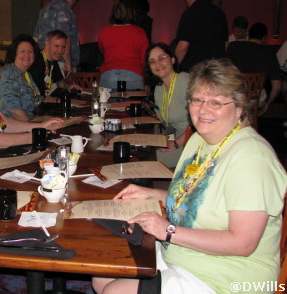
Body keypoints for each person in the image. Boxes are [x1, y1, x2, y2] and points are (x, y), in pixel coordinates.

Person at [93, 59, 287, 294]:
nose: (203, 110)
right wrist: (152, 194)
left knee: (115, 290)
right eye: (197, 100)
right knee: (103, 273)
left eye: (216, 102)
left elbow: (243, 243)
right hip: (184, 254)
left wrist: (168, 230)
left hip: (229, 276)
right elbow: (199, 200)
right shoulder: (200, 140)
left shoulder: (252, 158)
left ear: (239, 107)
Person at [145, 43, 191, 168]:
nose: (158, 64)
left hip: (192, 142)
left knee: (147, 160)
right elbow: (164, 121)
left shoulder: (187, 82)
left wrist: (176, 143)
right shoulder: (159, 89)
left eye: (162, 58)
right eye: (152, 61)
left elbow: (199, 124)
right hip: (175, 137)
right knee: (141, 151)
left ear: (173, 59)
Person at [226, 22, 282, 114]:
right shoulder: (269, 54)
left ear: (248, 35)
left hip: (233, 96)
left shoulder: (233, 46)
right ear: (264, 38)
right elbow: (277, 86)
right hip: (254, 99)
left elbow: (223, 71)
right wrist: (267, 104)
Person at [0, 35, 42, 121]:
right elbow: (13, 110)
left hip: (29, 121)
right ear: (14, 53)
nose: (27, 55)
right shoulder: (7, 74)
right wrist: (34, 127)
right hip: (12, 127)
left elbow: (36, 102)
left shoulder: (26, 74)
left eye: (30, 51)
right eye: (22, 51)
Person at [98, 0, 149, 90]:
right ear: (133, 13)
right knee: (133, 103)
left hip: (108, 75)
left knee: (106, 103)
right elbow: (144, 59)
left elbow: (103, 51)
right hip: (133, 75)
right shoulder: (140, 32)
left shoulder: (104, 32)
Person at [175, 0, 228, 72]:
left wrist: (174, 65)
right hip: (216, 70)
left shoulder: (190, 13)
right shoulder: (220, 13)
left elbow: (183, 47)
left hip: (195, 71)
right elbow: (225, 45)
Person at [33, 0, 80, 72]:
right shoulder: (64, 8)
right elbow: (64, 39)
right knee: (61, 83)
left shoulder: (45, 8)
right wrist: (68, 64)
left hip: (44, 60)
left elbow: (35, 38)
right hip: (60, 62)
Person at [28, 29, 70, 97]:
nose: (60, 51)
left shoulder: (53, 60)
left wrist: (69, 86)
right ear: (47, 44)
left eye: (63, 47)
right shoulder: (36, 60)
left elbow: (59, 82)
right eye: (57, 46)